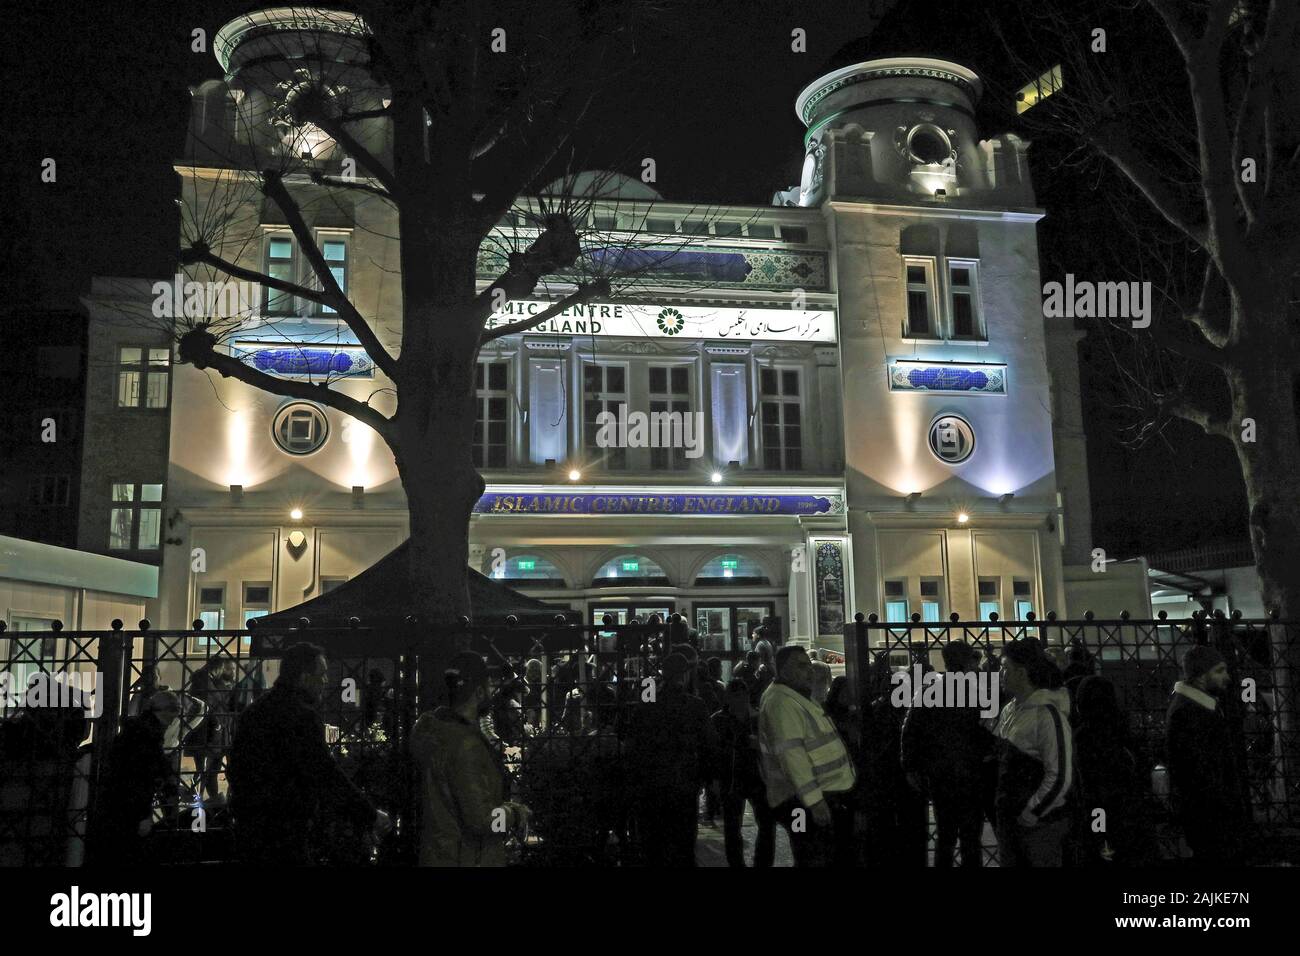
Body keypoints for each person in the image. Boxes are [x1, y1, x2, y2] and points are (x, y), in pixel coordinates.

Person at [228, 643, 390, 865]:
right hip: (287, 829)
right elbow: (325, 772)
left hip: (251, 827)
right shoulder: (301, 716)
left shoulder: (255, 711)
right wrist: (368, 813)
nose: (325, 681)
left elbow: (236, 768)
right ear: (304, 677)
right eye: (321, 675)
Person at [410, 650, 528, 866]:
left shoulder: (433, 733)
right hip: (467, 858)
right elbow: (481, 821)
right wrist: (514, 814)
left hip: (438, 854)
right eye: (489, 685)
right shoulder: (465, 745)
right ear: (479, 692)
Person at [758, 645, 855, 867]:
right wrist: (814, 802)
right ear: (783, 670)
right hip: (799, 800)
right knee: (811, 853)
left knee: (814, 851)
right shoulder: (782, 702)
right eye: (801, 666)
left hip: (810, 796)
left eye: (809, 666)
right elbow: (793, 756)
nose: (809, 671)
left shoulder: (795, 695)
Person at [902, 641, 994, 867]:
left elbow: (911, 730)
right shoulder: (979, 692)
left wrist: (910, 766)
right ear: (966, 663)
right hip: (971, 772)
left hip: (940, 774)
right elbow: (990, 731)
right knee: (971, 837)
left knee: (945, 836)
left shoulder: (928, 691)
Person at [625, 652, 713, 866]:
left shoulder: (649, 702)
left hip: (652, 784)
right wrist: (705, 778)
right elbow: (708, 745)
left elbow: (633, 739)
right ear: (684, 675)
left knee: (654, 845)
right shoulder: (694, 705)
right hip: (683, 782)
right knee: (683, 845)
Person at [1166, 644, 1251, 864]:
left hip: (1211, 814)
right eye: (1219, 671)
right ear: (1202, 674)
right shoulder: (1190, 712)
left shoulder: (1195, 707)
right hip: (1210, 815)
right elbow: (1200, 770)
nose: (1227, 677)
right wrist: (1226, 805)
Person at [993, 638, 1074, 867]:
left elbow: (1059, 774)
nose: (1000, 674)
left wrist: (1031, 812)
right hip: (1011, 818)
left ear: (1022, 672)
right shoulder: (1011, 710)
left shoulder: (1047, 715)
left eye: (1005, 668)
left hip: (1039, 826)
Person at [88, 691, 181, 866]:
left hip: (114, 805)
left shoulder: (138, 731)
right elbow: (140, 779)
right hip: (128, 809)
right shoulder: (148, 737)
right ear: (167, 711)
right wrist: (143, 815)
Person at [1073, 676, 1154, 865]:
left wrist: (1099, 835)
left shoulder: (1084, 739)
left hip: (1105, 823)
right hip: (1133, 823)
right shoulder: (1123, 733)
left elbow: (1092, 793)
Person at [710, 678, 776, 867]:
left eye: (742, 695)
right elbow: (714, 752)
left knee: (763, 825)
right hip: (736, 778)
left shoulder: (755, 718)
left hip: (754, 777)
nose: (740, 699)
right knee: (734, 828)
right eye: (736, 696)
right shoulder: (722, 720)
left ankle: (759, 863)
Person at [184, 656, 236, 804]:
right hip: (208, 733)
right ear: (219, 667)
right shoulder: (205, 682)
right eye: (228, 668)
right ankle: (198, 799)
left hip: (214, 733)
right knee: (205, 769)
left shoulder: (208, 681)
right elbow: (209, 705)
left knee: (210, 769)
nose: (231, 671)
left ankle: (211, 800)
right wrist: (217, 723)